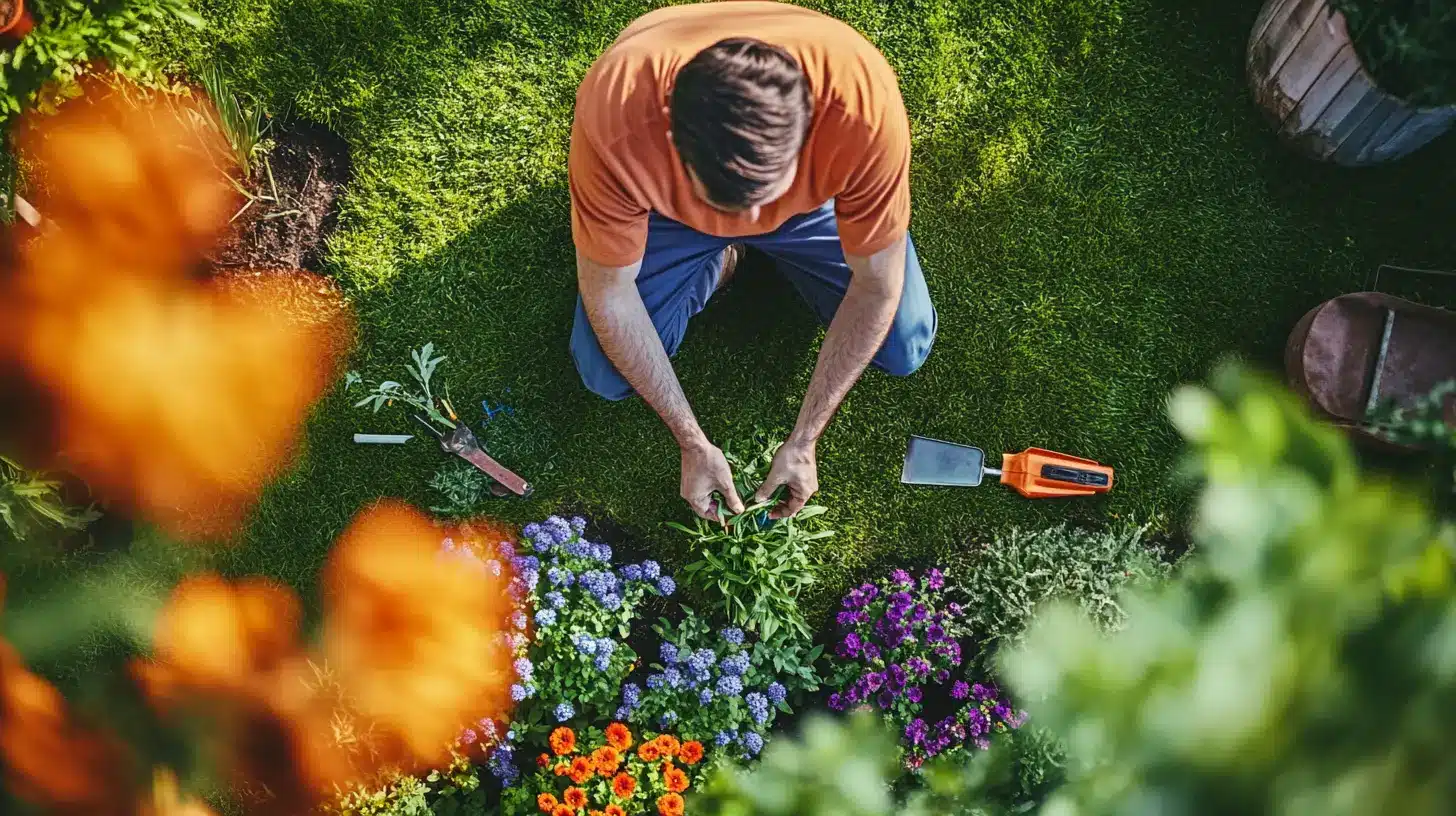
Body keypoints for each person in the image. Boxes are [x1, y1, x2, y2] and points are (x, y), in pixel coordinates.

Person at [569, 1, 936, 521]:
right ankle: (725, 262)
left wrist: (806, 438)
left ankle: (807, 241)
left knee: (904, 343)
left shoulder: (862, 110)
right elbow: (610, 294)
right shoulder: (618, 121)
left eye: (768, 197)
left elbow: (877, 287)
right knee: (606, 372)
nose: (757, 219)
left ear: (810, 130)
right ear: (673, 142)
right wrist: (692, 441)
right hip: (672, 222)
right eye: (727, 204)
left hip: (814, 212)